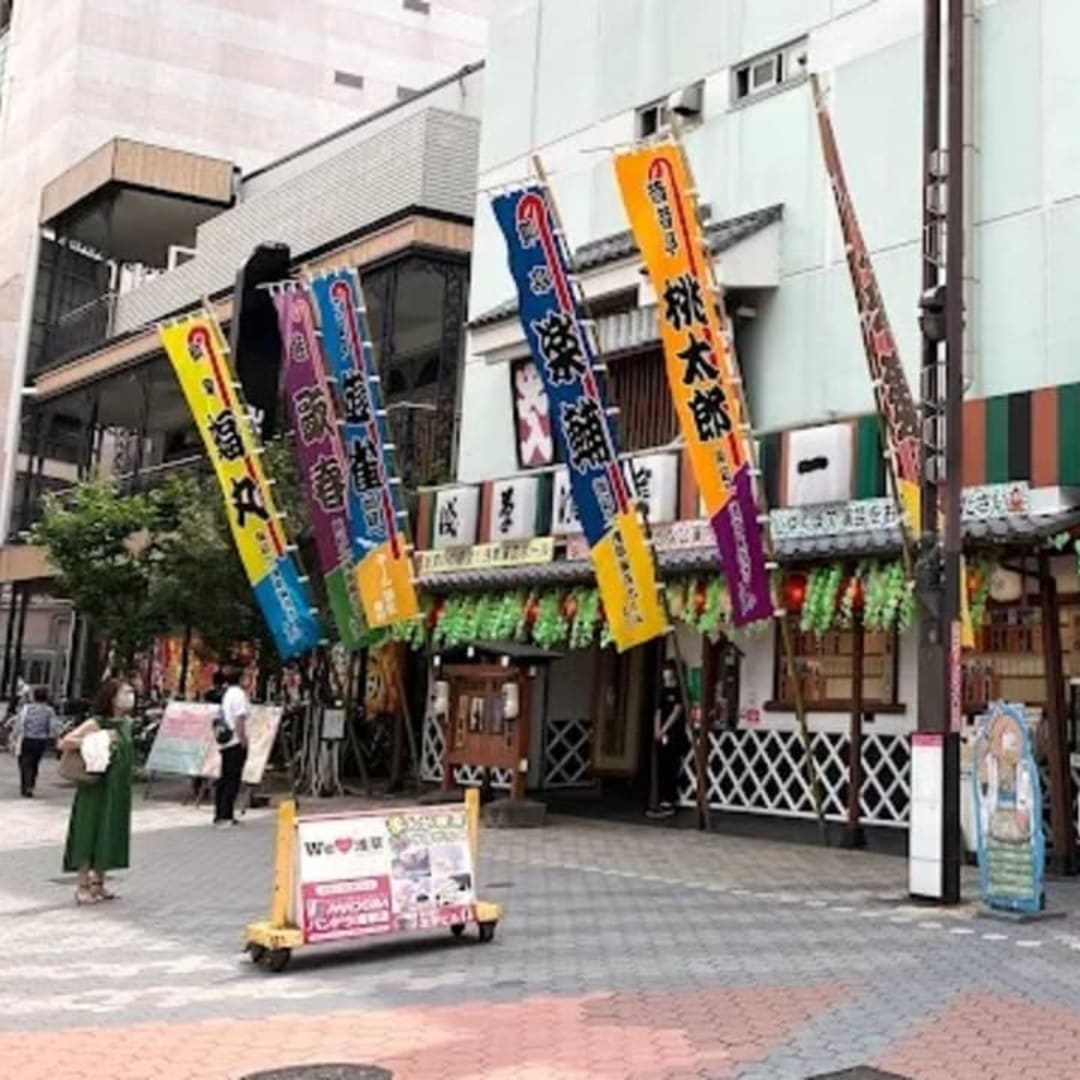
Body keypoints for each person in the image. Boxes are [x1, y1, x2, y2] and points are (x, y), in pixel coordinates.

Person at [59, 677, 134, 905]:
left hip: (117, 788)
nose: (130, 696)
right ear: (111, 697)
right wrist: (96, 738)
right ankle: (82, 885)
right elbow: (65, 742)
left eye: (131, 692)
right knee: (88, 831)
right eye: (125, 692)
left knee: (108, 832)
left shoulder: (127, 723)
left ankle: (99, 883)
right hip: (95, 787)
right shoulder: (96, 723)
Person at [649, 660, 689, 819]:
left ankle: (670, 801)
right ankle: (659, 799)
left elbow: (677, 712)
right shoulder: (662, 691)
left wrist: (664, 728)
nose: (666, 674)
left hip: (674, 733)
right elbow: (658, 712)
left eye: (668, 671)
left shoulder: (679, 691)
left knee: (672, 766)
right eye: (664, 671)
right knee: (662, 766)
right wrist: (657, 731)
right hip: (661, 734)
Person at [214, 667, 249, 826]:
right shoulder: (239, 695)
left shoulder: (227, 694)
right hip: (234, 740)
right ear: (240, 679)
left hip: (225, 741)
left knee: (224, 777)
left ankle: (220, 813)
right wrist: (243, 740)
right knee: (232, 779)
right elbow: (239, 720)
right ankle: (226, 814)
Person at [16, 685, 59, 797]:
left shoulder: (27, 708)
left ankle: (26, 785)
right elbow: (53, 727)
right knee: (35, 762)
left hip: (27, 738)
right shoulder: (49, 711)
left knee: (24, 762)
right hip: (41, 740)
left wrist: (16, 736)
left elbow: (20, 723)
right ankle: (30, 784)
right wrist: (52, 738)